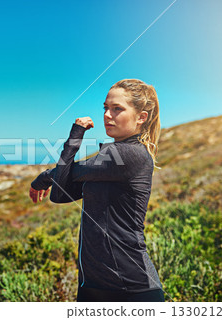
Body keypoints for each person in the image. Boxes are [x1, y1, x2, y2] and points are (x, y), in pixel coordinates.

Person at [29, 79, 165, 302]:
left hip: (130, 289)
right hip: (92, 286)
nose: (107, 115)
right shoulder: (111, 157)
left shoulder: (129, 155)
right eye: (106, 108)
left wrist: (45, 176)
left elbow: (63, 176)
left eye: (117, 109)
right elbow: (60, 193)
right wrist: (50, 179)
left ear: (141, 117)